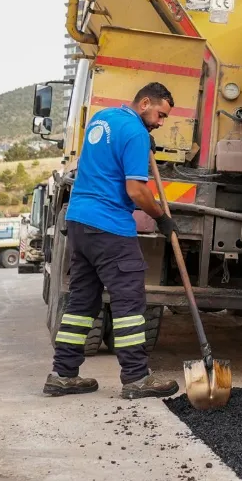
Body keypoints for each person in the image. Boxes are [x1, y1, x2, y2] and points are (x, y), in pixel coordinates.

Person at [43, 82, 181, 399]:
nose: (160, 123)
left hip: (79, 219)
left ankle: (63, 375)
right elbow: (136, 190)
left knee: (82, 302)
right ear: (145, 102)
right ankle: (135, 378)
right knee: (129, 300)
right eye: (160, 115)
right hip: (109, 225)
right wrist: (161, 217)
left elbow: (106, 161)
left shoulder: (102, 118)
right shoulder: (135, 134)